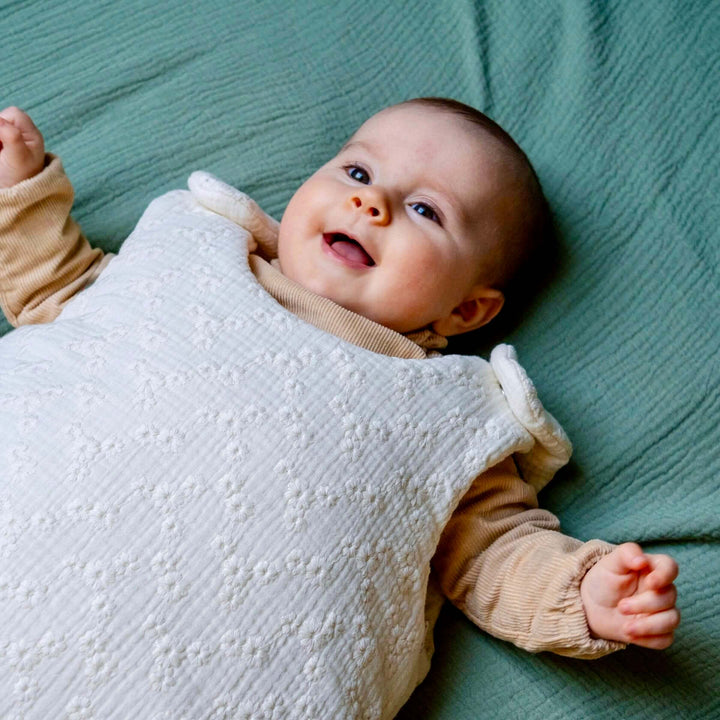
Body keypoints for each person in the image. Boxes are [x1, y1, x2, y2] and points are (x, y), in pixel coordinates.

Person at [0, 99, 679, 713]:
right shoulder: (191, 252)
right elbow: (60, 289)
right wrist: (19, 194)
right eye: (357, 172)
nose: (372, 203)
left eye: (425, 211)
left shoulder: (449, 416)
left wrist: (584, 596)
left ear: (469, 307)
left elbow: (492, 555)